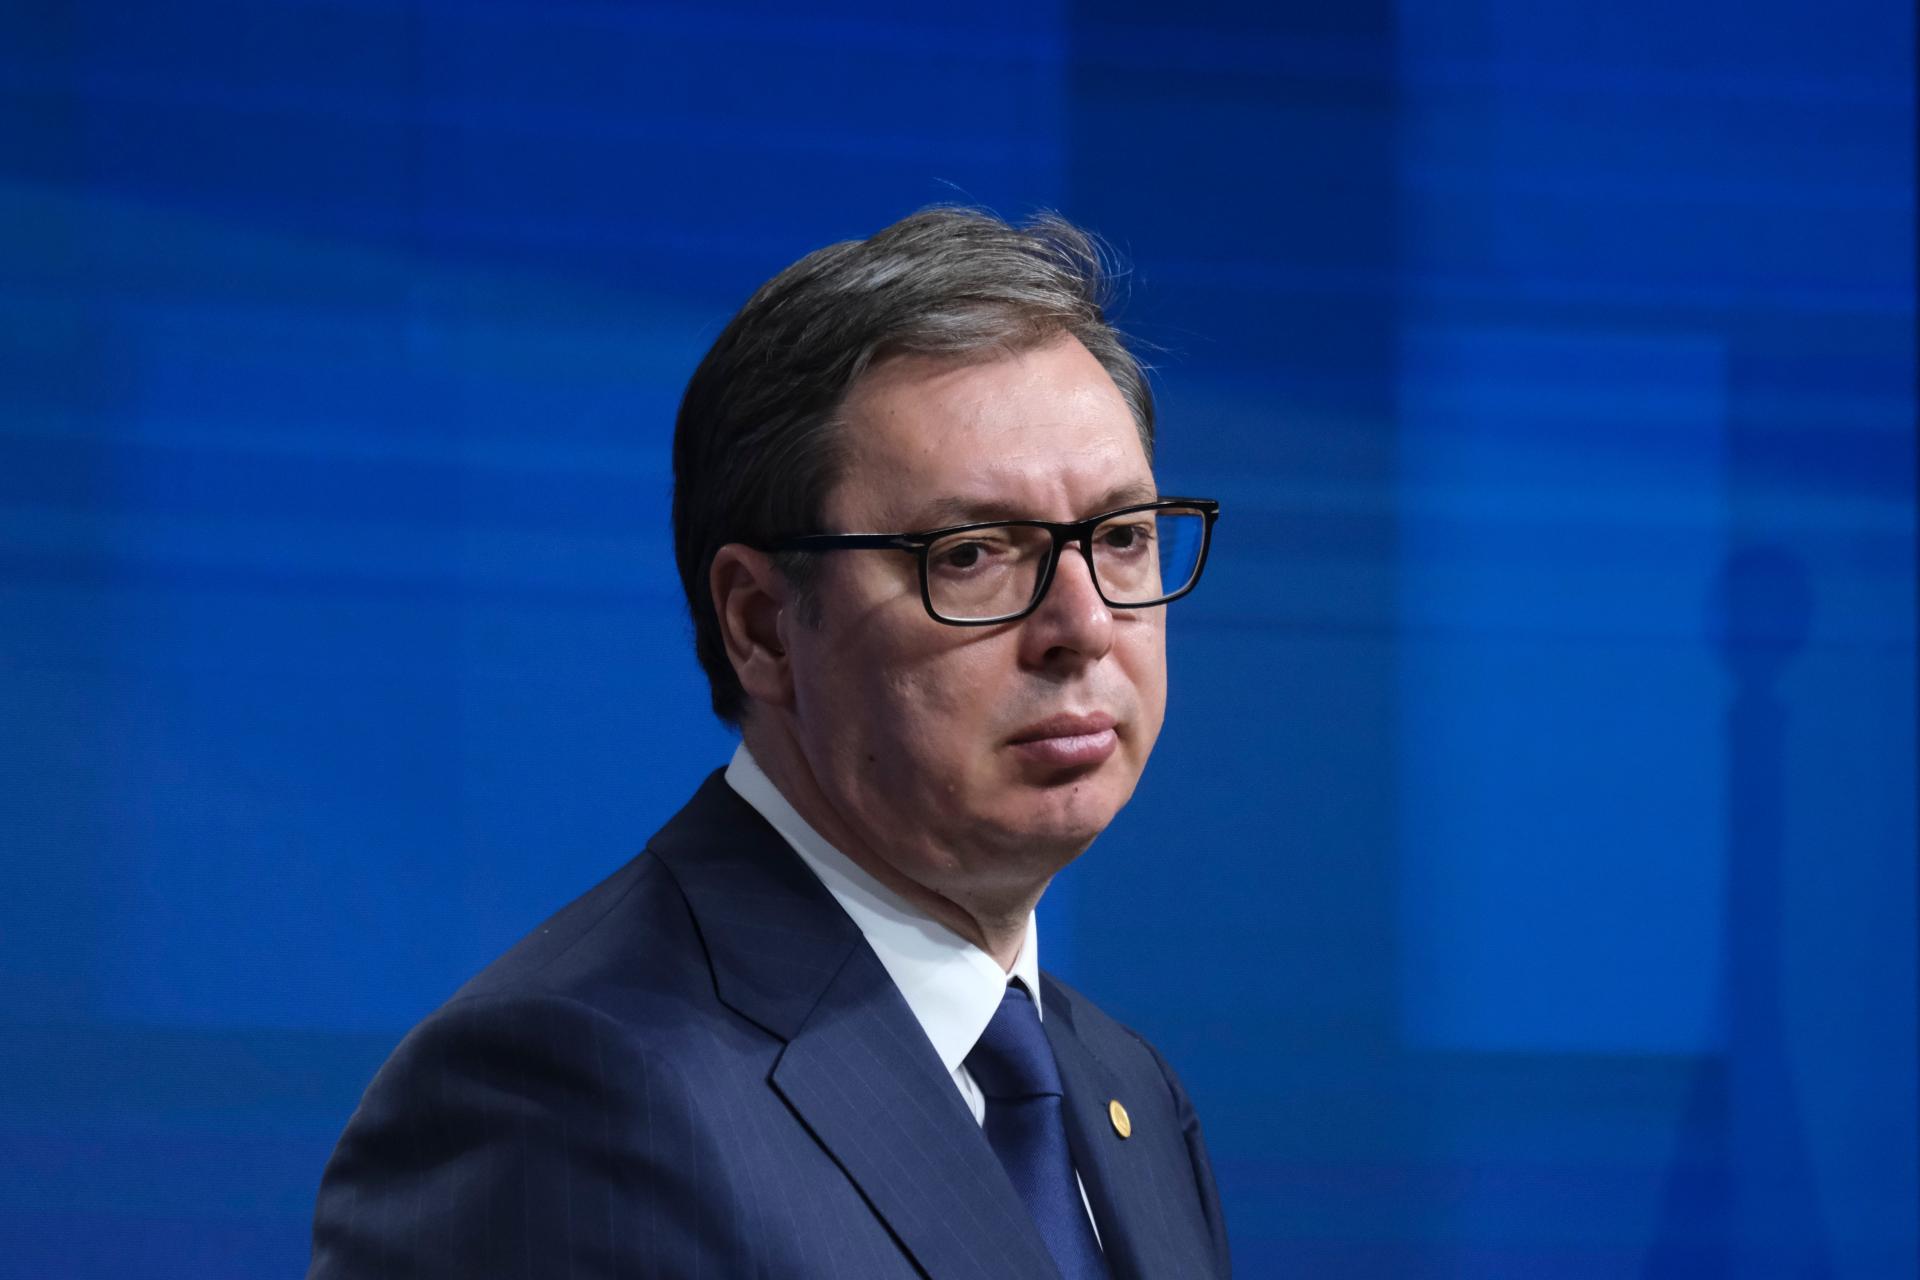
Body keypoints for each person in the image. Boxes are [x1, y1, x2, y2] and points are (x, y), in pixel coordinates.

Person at [308, 207, 1230, 1280]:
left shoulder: (1126, 1088)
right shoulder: (562, 1090)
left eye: (1121, 536)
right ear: (761, 624)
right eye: (973, 553)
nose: (1085, 624)